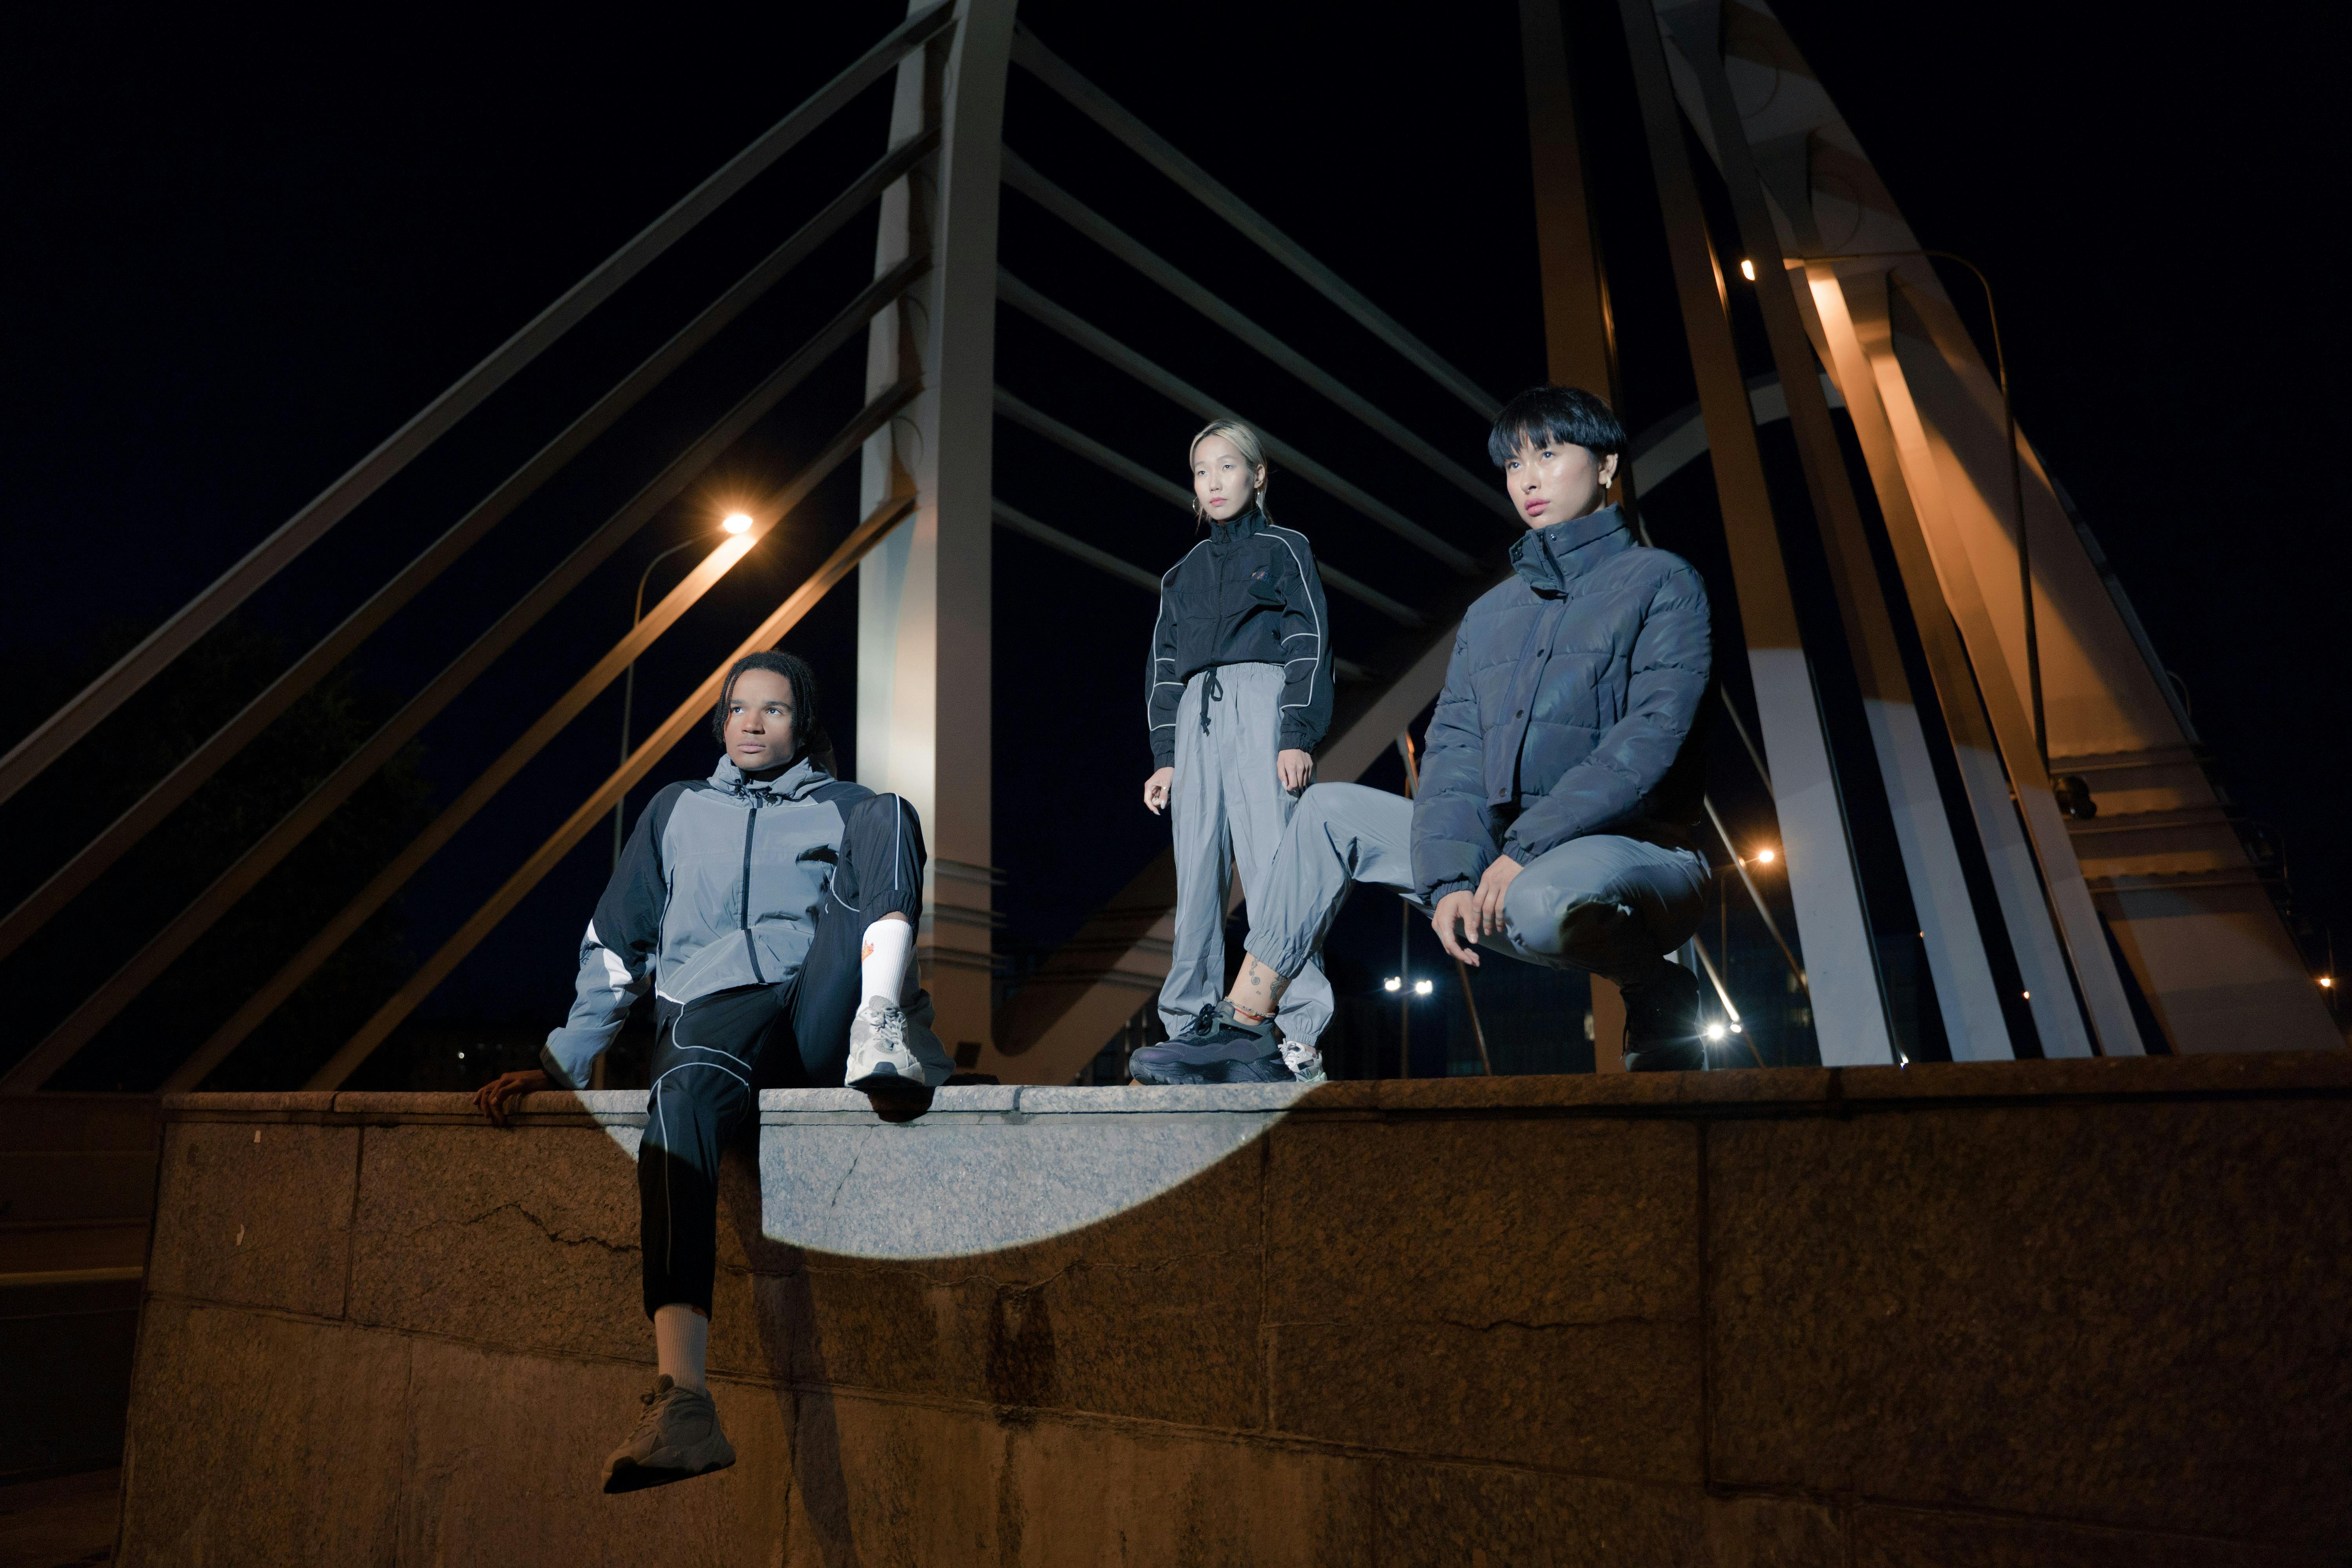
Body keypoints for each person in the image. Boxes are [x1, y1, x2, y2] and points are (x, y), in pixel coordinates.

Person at [1129, 385, 1714, 1081]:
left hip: (1634, 855)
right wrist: (1452, 874)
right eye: (1514, 464)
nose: (1528, 480)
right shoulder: (1490, 615)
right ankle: (1246, 1027)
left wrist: (1521, 851)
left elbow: (1648, 741)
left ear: (1608, 466)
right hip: (1504, 860)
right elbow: (1454, 758)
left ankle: (1654, 984)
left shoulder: (1662, 581)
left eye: (1549, 456)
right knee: (1325, 811)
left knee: (1538, 902)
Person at [472, 650, 951, 1493]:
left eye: (775, 709)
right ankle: (684, 1400)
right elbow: (616, 943)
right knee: (680, 1094)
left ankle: (883, 1033)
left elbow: (876, 900)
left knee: (891, 813)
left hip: (817, 1011)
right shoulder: (676, 809)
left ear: (804, 723)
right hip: (715, 1009)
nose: (753, 723)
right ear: (720, 721)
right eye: (738, 708)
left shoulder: (844, 807)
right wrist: (566, 1060)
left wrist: (885, 1004)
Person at [1138, 420, 1336, 1084]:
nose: (1214, 482)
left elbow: (1309, 639)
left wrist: (1296, 734)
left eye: (1228, 467)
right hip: (1197, 715)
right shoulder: (1181, 573)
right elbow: (1164, 668)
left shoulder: (1285, 548)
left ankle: (1299, 1032)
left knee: (1277, 873)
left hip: (1263, 705)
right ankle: (1189, 1030)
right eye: (1202, 471)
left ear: (1258, 475)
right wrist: (1165, 755)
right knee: (1195, 878)